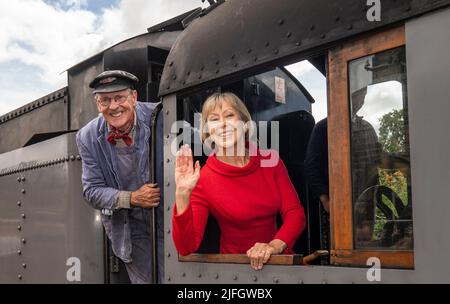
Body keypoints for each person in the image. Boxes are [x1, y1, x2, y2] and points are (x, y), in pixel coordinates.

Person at [172, 92, 306, 270]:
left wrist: (273, 246)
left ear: (244, 123)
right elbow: (186, 247)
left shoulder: (271, 161)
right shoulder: (203, 179)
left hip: (279, 261)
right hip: (236, 269)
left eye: (229, 115)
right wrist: (182, 193)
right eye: (214, 119)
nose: (223, 124)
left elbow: (295, 213)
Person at [75, 70, 163, 284]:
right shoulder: (87, 137)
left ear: (134, 97)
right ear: (98, 104)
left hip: (167, 219)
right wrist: (131, 198)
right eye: (105, 100)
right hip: (128, 227)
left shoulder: (160, 116)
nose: (113, 106)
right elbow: (91, 190)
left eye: (119, 97)